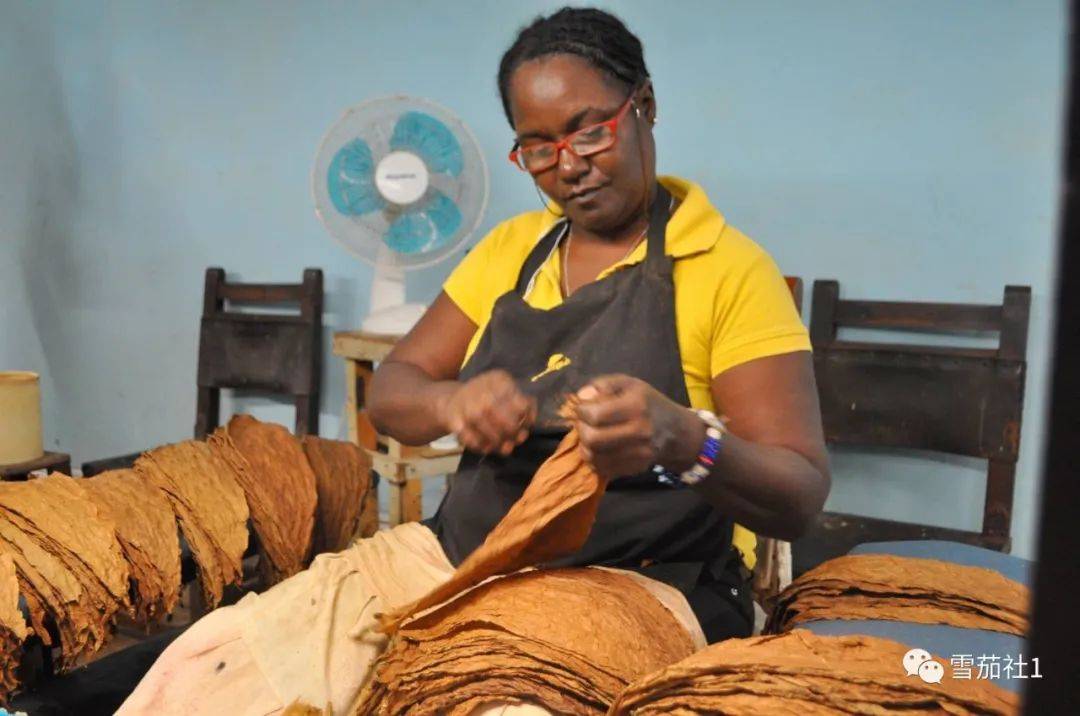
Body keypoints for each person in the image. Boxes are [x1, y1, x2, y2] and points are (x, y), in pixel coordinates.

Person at [119, 7, 829, 714]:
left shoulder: (728, 269)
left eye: (590, 131)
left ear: (644, 105)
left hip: (639, 581)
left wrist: (684, 439)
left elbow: (798, 493)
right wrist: (450, 405)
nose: (569, 165)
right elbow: (393, 390)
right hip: (459, 556)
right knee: (211, 667)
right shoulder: (512, 250)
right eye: (538, 149)